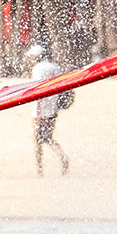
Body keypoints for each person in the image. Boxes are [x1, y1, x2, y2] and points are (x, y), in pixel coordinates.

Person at [26, 44, 69, 177]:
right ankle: (62, 156)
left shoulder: (38, 69)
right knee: (48, 137)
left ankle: (39, 170)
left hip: (40, 109)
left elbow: (38, 90)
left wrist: (38, 113)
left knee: (37, 140)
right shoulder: (54, 67)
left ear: (36, 57)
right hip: (53, 109)